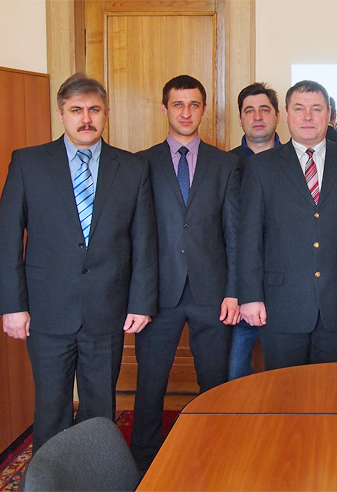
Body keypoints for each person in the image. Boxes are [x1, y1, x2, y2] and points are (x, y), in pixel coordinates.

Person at [0, 73, 158, 452]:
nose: (86, 118)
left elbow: (144, 241)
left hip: (107, 310)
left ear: (106, 113)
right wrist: (13, 306)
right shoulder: (28, 163)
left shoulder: (132, 168)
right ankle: (50, 478)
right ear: (61, 113)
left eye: (94, 110)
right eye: (76, 110)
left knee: (100, 412)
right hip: (46, 312)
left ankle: (98, 475)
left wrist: (141, 303)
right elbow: (7, 238)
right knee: (51, 408)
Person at [131, 75, 241, 471]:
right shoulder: (141, 163)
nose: (186, 112)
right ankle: (144, 461)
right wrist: (136, 297)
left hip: (212, 292)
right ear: (165, 108)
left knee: (214, 382)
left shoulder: (225, 163)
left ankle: (216, 452)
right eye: (178, 104)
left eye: (194, 104)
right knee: (150, 383)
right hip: (158, 293)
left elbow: (234, 233)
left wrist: (234, 291)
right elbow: (134, 234)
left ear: (204, 109)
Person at [238, 80, 337, 370]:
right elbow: (250, 238)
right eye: (299, 109)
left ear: (329, 114)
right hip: (280, 305)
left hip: (336, 302)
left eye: (316, 109)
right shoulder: (260, 167)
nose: (307, 117)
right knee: (284, 389)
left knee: (331, 389)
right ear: (286, 114)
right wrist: (250, 297)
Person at [227, 82, 282, 380]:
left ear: (277, 115)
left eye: (264, 109)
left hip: (286, 287)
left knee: (287, 377)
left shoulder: (299, 161)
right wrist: (233, 291)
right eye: (249, 111)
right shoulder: (224, 165)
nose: (257, 117)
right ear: (240, 119)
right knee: (234, 372)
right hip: (238, 288)